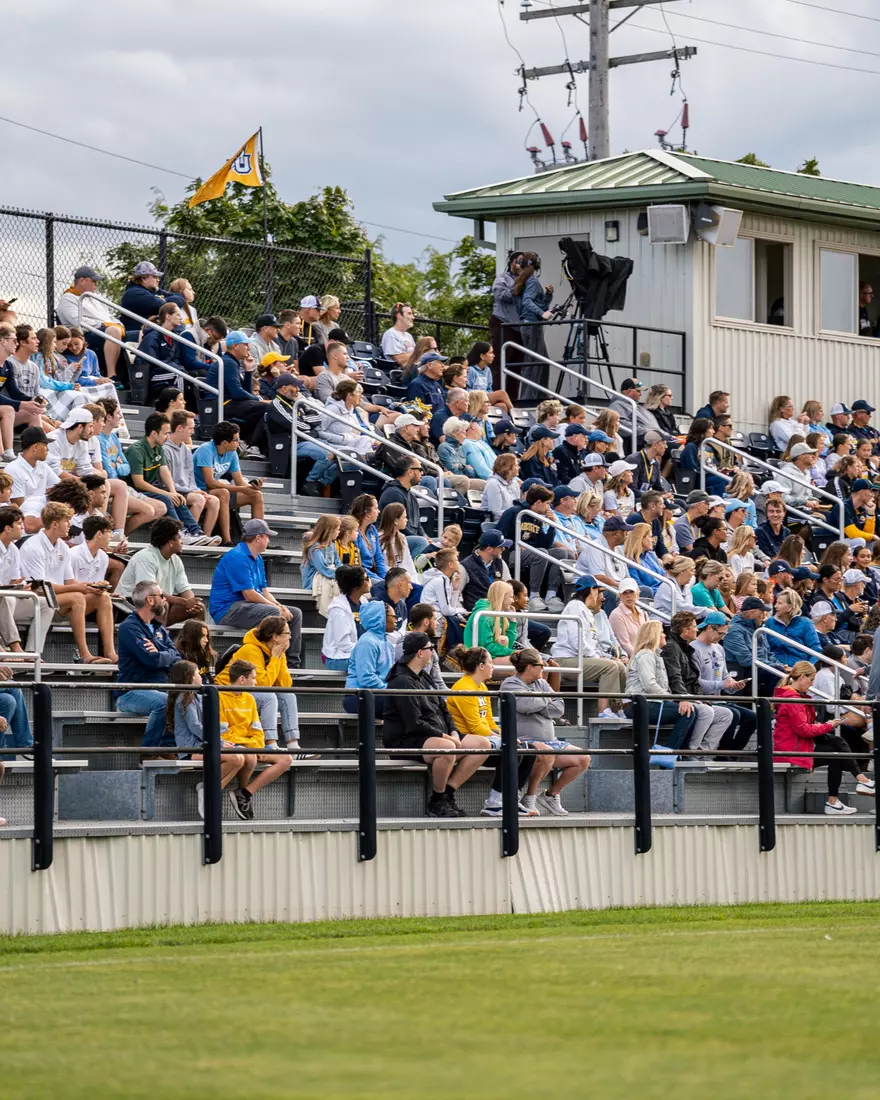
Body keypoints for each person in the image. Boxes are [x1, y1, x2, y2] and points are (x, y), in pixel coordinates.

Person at [19, 501, 116, 665]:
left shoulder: (62, 547)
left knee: (104, 597)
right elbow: (40, 588)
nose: (70, 525)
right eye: (67, 521)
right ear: (55, 524)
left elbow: (70, 581)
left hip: (56, 601)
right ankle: (85, 654)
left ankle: (111, 653)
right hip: (36, 600)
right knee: (77, 597)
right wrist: (78, 588)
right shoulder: (33, 546)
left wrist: (92, 588)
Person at [774, 661, 874, 815]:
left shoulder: (796, 697)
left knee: (837, 743)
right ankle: (856, 785)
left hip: (799, 745)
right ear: (801, 677)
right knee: (836, 753)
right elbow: (804, 730)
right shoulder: (793, 699)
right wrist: (827, 725)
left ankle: (853, 788)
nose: (812, 684)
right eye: (811, 679)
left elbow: (804, 726)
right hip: (793, 750)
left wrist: (824, 725)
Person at [500, 648, 590, 816]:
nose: (543, 669)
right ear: (529, 667)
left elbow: (559, 708)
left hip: (550, 740)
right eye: (540, 665)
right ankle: (530, 796)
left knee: (583, 758)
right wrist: (545, 700)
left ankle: (551, 795)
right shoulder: (510, 684)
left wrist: (538, 702)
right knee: (546, 753)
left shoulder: (541, 683)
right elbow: (525, 706)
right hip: (523, 740)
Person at [166, 661, 249, 820]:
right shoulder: (185, 697)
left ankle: (208, 790)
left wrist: (222, 730)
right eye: (197, 672)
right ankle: (207, 792)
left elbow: (206, 724)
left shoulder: (196, 696)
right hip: (192, 749)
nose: (200, 675)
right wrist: (219, 742)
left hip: (204, 745)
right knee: (236, 758)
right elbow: (195, 726)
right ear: (189, 677)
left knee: (239, 758)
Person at [209, 520, 302, 660]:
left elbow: (264, 591)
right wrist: (276, 608)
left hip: (247, 606)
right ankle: (268, 659)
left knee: (295, 613)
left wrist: (280, 606)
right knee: (273, 613)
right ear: (258, 538)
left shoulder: (257, 558)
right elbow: (249, 595)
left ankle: (291, 662)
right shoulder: (238, 556)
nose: (269, 539)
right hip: (227, 610)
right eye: (267, 536)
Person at [216, 616, 304, 754]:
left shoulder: (277, 651)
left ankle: (293, 746)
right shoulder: (251, 649)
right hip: (228, 693)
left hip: (248, 692)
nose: (291, 636)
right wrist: (275, 658)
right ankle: (270, 743)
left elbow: (285, 684)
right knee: (268, 697)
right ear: (275, 636)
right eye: (288, 633)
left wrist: (279, 658)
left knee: (288, 697)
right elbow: (261, 684)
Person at [218, 659, 293, 820]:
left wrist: (253, 745)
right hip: (236, 746)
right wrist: (248, 745)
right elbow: (224, 735)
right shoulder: (220, 698)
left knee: (286, 759)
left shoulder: (250, 699)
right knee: (249, 756)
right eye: (253, 678)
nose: (256, 681)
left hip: (251, 745)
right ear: (242, 679)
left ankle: (245, 793)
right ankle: (241, 792)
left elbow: (257, 731)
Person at [126, 413, 211, 545]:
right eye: (166, 433)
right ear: (154, 433)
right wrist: (168, 493)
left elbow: (164, 471)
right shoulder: (136, 450)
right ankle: (180, 532)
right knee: (167, 498)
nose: (168, 436)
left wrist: (173, 491)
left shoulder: (158, 448)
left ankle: (196, 532)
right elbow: (139, 483)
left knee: (177, 497)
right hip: (136, 491)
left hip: (152, 489)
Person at [552, 575, 628, 718]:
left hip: (578, 657)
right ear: (592, 590)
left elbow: (591, 643)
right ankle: (603, 712)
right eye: (598, 591)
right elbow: (577, 641)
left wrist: (603, 656)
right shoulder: (575, 606)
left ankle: (620, 709)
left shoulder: (586, 610)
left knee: (619, 666)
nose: (601, 596)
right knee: (610, 667)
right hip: (565, 659)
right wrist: (598, 657)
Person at [116, 580, 180, 746]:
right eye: (161, 596)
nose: (164, 600)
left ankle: (169, 749)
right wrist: (166, 655)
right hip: (131, 691)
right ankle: (149, 752)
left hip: (161, 688)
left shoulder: (159, 629)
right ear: (150, 600)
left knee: (190, 699)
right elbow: (151, 660)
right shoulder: (129, 627)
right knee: (164, 702)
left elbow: (178, 659)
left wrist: (160, 652)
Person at [660, 612, 733, 752]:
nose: (697, 629)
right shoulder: (672, 647)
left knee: (726, 714)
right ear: (685, 630)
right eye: (694, 626)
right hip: (679, 698)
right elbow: (675, 677)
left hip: (692, 697)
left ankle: (703, 753)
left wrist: (700, 698)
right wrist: (684, 697)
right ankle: (690, 751)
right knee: (706, 712)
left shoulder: (686, 647)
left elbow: (694, 679)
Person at [625, 621, 698, 751]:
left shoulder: (655, 655)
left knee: (690, 709)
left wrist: (682, 699)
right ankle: (669, 754)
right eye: (662, 633)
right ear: (654, 636)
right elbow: (649, 685)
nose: (665, 635)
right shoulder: (646, 655)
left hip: (650, 703)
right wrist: (673, 699)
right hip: (640, 705)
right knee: (688, 712)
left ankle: (679, 754)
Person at [117, 517, 204, 624]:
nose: (182, 542)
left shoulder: (175, 560)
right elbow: (149, 593)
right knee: (162, 603)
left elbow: (185, 591)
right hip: (129, 604)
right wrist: (184, 602)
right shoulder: (146, 557)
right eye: (179, 538)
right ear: (170, 542)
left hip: (157, 601)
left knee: (200, 608)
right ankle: (158, 639)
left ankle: (199, 639)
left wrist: (193, 603)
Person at [690, 613, 755, 752]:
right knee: (733, 715)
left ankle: (733, 753)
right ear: (709, 628)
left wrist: (733, 685)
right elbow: (696, 682)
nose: (722, 637)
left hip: (719, 698)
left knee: (754, 718)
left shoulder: (719, 648)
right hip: (704, 700)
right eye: (720, 633)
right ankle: (723, 754)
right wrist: (722, 684)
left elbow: (724, 676)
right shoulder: (693, 649)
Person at [192, 421, 265, 544]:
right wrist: (241, 489)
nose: (239, 443)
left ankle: (258, 540)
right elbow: (210, 483)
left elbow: (239, 481)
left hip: (217, 490)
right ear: (225, 443)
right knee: (223, 492)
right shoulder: (205, 450)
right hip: (200, 490)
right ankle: (228, 540)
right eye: (236, 440)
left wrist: (252, 486)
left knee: (256, 495)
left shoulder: (232, 453)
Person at [498, 483, 567, 612]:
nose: (549, 507)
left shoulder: (536, 518)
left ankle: (551, 595)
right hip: (511, 553)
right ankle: (534, 595)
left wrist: (552, 525)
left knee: (560, 554)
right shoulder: (514, 512)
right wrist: (515, 545)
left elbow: (544, 544)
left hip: (530, 552)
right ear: (539, 502)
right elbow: (499, 535)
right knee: (540, 553)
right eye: (547, 503)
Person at [55, 266, 127, 383]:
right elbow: (78, 321)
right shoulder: (68, 299)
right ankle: (112, 375)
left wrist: (117, 324)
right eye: (93, 281)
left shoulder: (94, 298)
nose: (96, 285)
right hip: (86, 333)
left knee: (140, 334)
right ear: (82, 281)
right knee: (113, 331)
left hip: (105, 329)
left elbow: (109, 317)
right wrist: (105, 325)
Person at [0, 505, 52, 656]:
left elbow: (14, 580)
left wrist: (21, 587)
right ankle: (16, 649)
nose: (22, 528)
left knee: (46, 604)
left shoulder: (14, 549)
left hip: (7, 600)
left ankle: (33, 652)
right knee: (5, 598)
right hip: (3, 600)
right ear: (7, 528)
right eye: (18, 524)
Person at [203, 330, 268, 447]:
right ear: (235, 346)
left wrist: (248, 371)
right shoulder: (228, 362)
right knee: (265, 407)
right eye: (246, 344)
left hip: (230, 403)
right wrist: (259, 399)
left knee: (263, 408)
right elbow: (237, 393)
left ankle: (249, 444)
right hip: (222, 404)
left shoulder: (232, 362)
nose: (249, 348)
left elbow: (246, 394)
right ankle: (252, 445)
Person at [163, 410, 220, 538]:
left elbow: (190, 478)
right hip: (173, 490)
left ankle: (205, 538)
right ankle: (190, 535)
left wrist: (196, 489)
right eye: (190, 428)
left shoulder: (186, 450)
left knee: (214, 500)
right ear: (179, 428)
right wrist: (192, 492)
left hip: (187, 490)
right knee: (198, 499)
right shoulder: (165, 449)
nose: (193, 432)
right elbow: (168, 482)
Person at [342, 600, 396, 717]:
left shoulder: (388, 643)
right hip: (358, 697)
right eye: (393, 616)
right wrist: (389, 689)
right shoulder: (367, 642)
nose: (396, 619)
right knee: (403, 704)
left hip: (379, 693)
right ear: (381, 618)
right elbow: (366, 678)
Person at [6, 427, 61, 534]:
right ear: (35, 447)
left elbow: (60, 488)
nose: (48, 449)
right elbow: (20, 507)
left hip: (42, 522)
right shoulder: (13, 469)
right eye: (45, 445)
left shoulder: (43, 466)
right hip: (22, 527)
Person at [514, 253, 554, 400]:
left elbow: (538, 304)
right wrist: (542, 313)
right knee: (534, 363)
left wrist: (548, 296)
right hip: (531, 326)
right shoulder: (532, 282)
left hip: (530, 325)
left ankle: (539, 396)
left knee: (541, 362)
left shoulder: (524, 281)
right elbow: (527, 302)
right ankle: (530, 399)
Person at [377, 457, 431, 559]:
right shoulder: (393, 493)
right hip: (392, 538)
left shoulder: (411, 496)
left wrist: (424, 535)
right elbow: (396, 525)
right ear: (410, 472)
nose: (422, 473)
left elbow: (417, 523)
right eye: (420, 469)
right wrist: (421, 538)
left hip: (408, 537)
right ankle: (411, 572)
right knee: (420, 542)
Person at [322, 565, 372, 672]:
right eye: (366, 579)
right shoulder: (338, 609)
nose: (369, 581)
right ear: (356, 586)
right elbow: (344, 645)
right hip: (337, 657)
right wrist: (368, 650)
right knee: (371, 662)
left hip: (359, 652)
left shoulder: (364, 602)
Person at [119, 261, 185, 334]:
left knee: (177, 325)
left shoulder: (153, 290)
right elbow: (163, 307)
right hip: (136, 333)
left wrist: (163, 300)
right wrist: (163, 301)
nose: (158, 280)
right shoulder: (134, 293)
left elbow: (180, 298)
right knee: (174, 324)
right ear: (144, 279)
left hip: (149, 332)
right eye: (154, 277)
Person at [421, 547, 467, 648]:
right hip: (434, 617)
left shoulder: (443, 579)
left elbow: (449, 606)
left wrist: (455, 589)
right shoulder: (441, 580)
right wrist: (459, 611)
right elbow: (446, 610)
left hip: (437, 615)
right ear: (450, 564)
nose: (458, 563)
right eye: (456, 560)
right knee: (464, 622)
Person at [765, 588, 820, 666]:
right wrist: (778, 666)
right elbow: (765, 649)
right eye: (776, 602)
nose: (775, 606)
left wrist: (807, 670)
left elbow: (816, 650)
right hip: (775, 668)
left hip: (800, 671)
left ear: (790, 607)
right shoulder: (770, 623)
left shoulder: (806, 623)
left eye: (779, 603)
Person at [459, 529, 511, 611]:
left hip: (500, 613)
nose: (503, 549)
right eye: (500, 547)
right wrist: (464, 614)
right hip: (478, 616)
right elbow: (454, 595)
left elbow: (509, 588)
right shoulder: (465, 566)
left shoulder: (500, 562)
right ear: (489, 549)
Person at [301, 515, 342, 617]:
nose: (339, 532)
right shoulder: (314, 548)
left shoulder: (332, 545)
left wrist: (344, 572)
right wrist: (341, 574)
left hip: (330, 575)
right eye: (337, 529)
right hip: (314, 579)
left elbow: (338, 563)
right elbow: (323, 569)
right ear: (329, 531)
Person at [575, 513, 629, 592]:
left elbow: (626, 575)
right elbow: (598, 577)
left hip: (613, 586)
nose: (627, 534)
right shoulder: (595, 547)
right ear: (616, 534)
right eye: (625, 531)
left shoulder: (619, 548)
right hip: (589, 588)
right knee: (612, 592)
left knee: (645, 591)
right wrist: (620, 587)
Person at [490, 251, 524, 371]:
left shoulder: (528, 281)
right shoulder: (502, 278)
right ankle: (497, 389)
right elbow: (502, 296)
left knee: (517, 367)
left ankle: (511, 391)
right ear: (512, 263)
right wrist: (519, 284)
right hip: (503, 324)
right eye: (519, 262)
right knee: (499, 362)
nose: (522, 265)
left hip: (520, 327)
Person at [607, 578, 648, 659]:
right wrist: (643, 658)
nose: (628, 596)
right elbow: (624, 645)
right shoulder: (616, 615)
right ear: (620, 596)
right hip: (631, 659)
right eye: (624, 593)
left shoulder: (643, 613)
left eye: (631, 592)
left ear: (638, 593)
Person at [466, 341, 512, 413]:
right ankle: (516, 415)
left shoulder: (487, 370)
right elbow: (466, 389)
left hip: (485, 398)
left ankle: (500, 424)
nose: (493, 355)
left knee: (502, 406)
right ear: (482, 356)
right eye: (490, 353)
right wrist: (481, 394)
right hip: (474, 399)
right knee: (502, 394)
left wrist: (489, 395)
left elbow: (489, 388)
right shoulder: (471, 370)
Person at [351, 494, 387, 583]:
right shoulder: (352, 532)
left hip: (372, 573)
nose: (379, 511)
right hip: (359, 575)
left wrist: (386, 577)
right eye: (375, 508)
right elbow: (356, 565)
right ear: (366, 512)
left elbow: (379, 557)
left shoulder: (373, 529)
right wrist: (380, 580)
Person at [481, 453, 521, 521]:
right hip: (497, 523)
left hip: (512, 520)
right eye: (516, 465)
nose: (518, 468)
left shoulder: (515, 483)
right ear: (508, 468)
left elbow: (517, 506)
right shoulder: (493, 484)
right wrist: (516, 514)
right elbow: (496, 513)